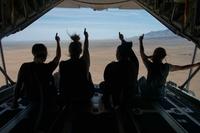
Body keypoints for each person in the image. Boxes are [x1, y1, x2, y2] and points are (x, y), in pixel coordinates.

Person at [12, 33, 61, 132]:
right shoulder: (47, 68)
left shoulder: (24, 66)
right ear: (45, 55)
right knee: (56, 76)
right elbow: (58, 57)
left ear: (33, 53)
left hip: (31, 99)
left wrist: (14, 102)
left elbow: (18, 86)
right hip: (47, 102)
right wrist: (58, 42)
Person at [139, 34, 200, 100]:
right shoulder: (167, 67)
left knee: (141, 80)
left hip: (149, 94)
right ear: (164, 57)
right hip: (160, 95)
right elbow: (182, 67)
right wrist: (196, 64)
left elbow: (142, 54)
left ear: (154, 55)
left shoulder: (150, 65)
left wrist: (140, 41)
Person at [102, 32, 139, 110]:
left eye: (117, 52)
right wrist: (122, 40)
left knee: (103, 84)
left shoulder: (111, 66)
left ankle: (107, 104)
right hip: (130, 98)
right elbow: (131, 53)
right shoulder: (134, 65)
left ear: (118, 54)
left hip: (116, 99)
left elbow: (106, 79)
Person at [59, 28, 93, 109]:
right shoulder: (84, 62)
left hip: (67, 96)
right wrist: (86, 37)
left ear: (69, 51)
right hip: (84, 96)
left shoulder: (63, 64)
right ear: (80, 51)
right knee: (89, 74)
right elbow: (86, 49)